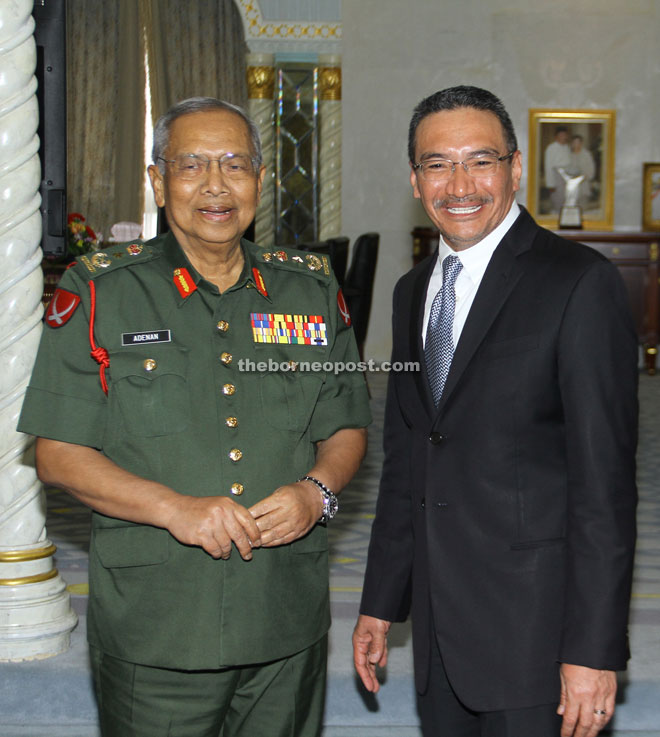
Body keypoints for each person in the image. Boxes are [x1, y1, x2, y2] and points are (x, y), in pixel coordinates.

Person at [18, 97, 371, 737]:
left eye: (235, 165)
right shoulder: (99, 291)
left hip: (283, 613)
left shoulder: (309, 289)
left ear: (259, 181)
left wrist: (315, 493)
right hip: (159, 622)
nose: (216, 185)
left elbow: (345, 423)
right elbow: (58, 453)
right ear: (159, 180)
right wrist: (175, 508)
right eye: (192, 166)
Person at [353, 86, 637, 737]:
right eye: (437, 163)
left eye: (480, 160)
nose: (460, 183)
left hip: (537, 633)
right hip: (439, 633)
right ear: (415, 179)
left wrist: (592, 649)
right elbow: (407, 459)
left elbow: (605, 488)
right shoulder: (410, 292)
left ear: (515, 169)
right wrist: (380, 602)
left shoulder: (578, 284)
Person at [544, 125, 572, 212]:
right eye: (561, 135)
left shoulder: (567, 147)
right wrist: (550, 184)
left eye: (565, 135)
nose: (563, 137)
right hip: (556, 176)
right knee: (557, 201)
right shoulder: (551, 148)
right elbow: (548, 166)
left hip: (568, 176)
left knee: (567, 199)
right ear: (556, 136)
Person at [567, 134, 596, 209]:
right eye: (574, 143)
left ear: (581, 143)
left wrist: (585, 177)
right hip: (571, 186)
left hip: (583, 184)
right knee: (572, 208)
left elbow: (591, 169)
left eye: (578, 142)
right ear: (572, 143)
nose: (576, 145)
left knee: (583, 208)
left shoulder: (586, 154)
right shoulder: (568, 155)